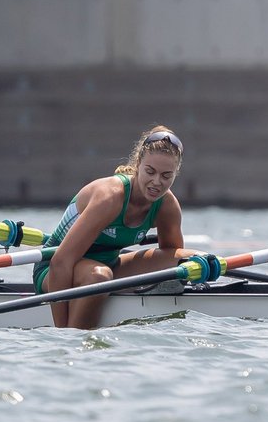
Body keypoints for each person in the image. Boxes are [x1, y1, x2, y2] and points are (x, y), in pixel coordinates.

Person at [33, 126, 195, 329]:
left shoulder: (167, 205)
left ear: (175, 175)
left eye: (166, 176)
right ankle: (79, 333)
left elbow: (173, 253)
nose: (157, 182)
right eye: (150, 172)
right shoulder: (110, 197)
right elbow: (61, 262)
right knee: (99, 276)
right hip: (55, 271)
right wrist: (62, 331)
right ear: (138, 164)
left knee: (189, 259)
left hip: (109, 265)